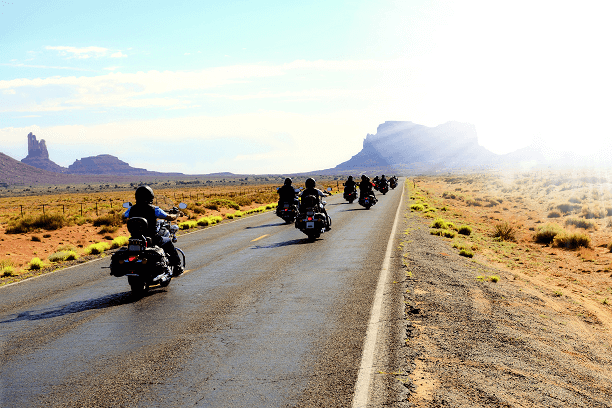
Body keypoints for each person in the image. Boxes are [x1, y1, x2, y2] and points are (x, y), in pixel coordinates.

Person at [124, 185, 184, 276]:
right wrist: (177, 214)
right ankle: (177, 266)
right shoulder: (154, 209)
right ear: (150, 197)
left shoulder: (131, 209)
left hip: (135, 239)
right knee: (168, 241)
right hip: (152, 238)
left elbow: (123, 215)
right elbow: (169, 217)